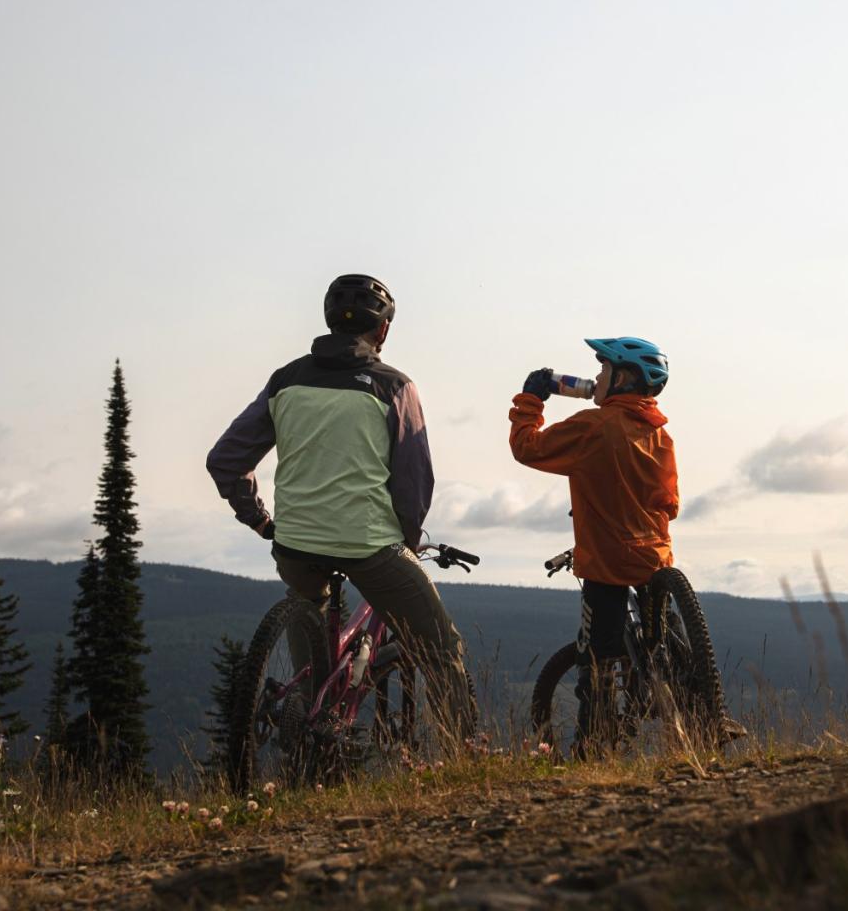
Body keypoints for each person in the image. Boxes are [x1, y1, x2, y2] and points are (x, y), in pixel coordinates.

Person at [206, 274, 477, 744]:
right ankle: (466, 756)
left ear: (329, 321)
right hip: (370, 546)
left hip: (294, 543)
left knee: (306, 603)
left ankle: (307, 718)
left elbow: (225, 460)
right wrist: (408, 541)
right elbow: (415, 481)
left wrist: (259, 518)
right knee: (440, 646)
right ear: (384, 331)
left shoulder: (285, 380)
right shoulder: (395, 386)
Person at [508, 337, 678, 754]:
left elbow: (526, 447)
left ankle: (592, 748)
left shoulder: (593, 426)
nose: (597, 377)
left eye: (604, 370)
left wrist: (531, 398)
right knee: (665, 639)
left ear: (621, 378)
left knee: (597, 661)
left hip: (606, 563)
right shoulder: (661, 437)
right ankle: (700, 701)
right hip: (655, 559)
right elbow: (669, 504)